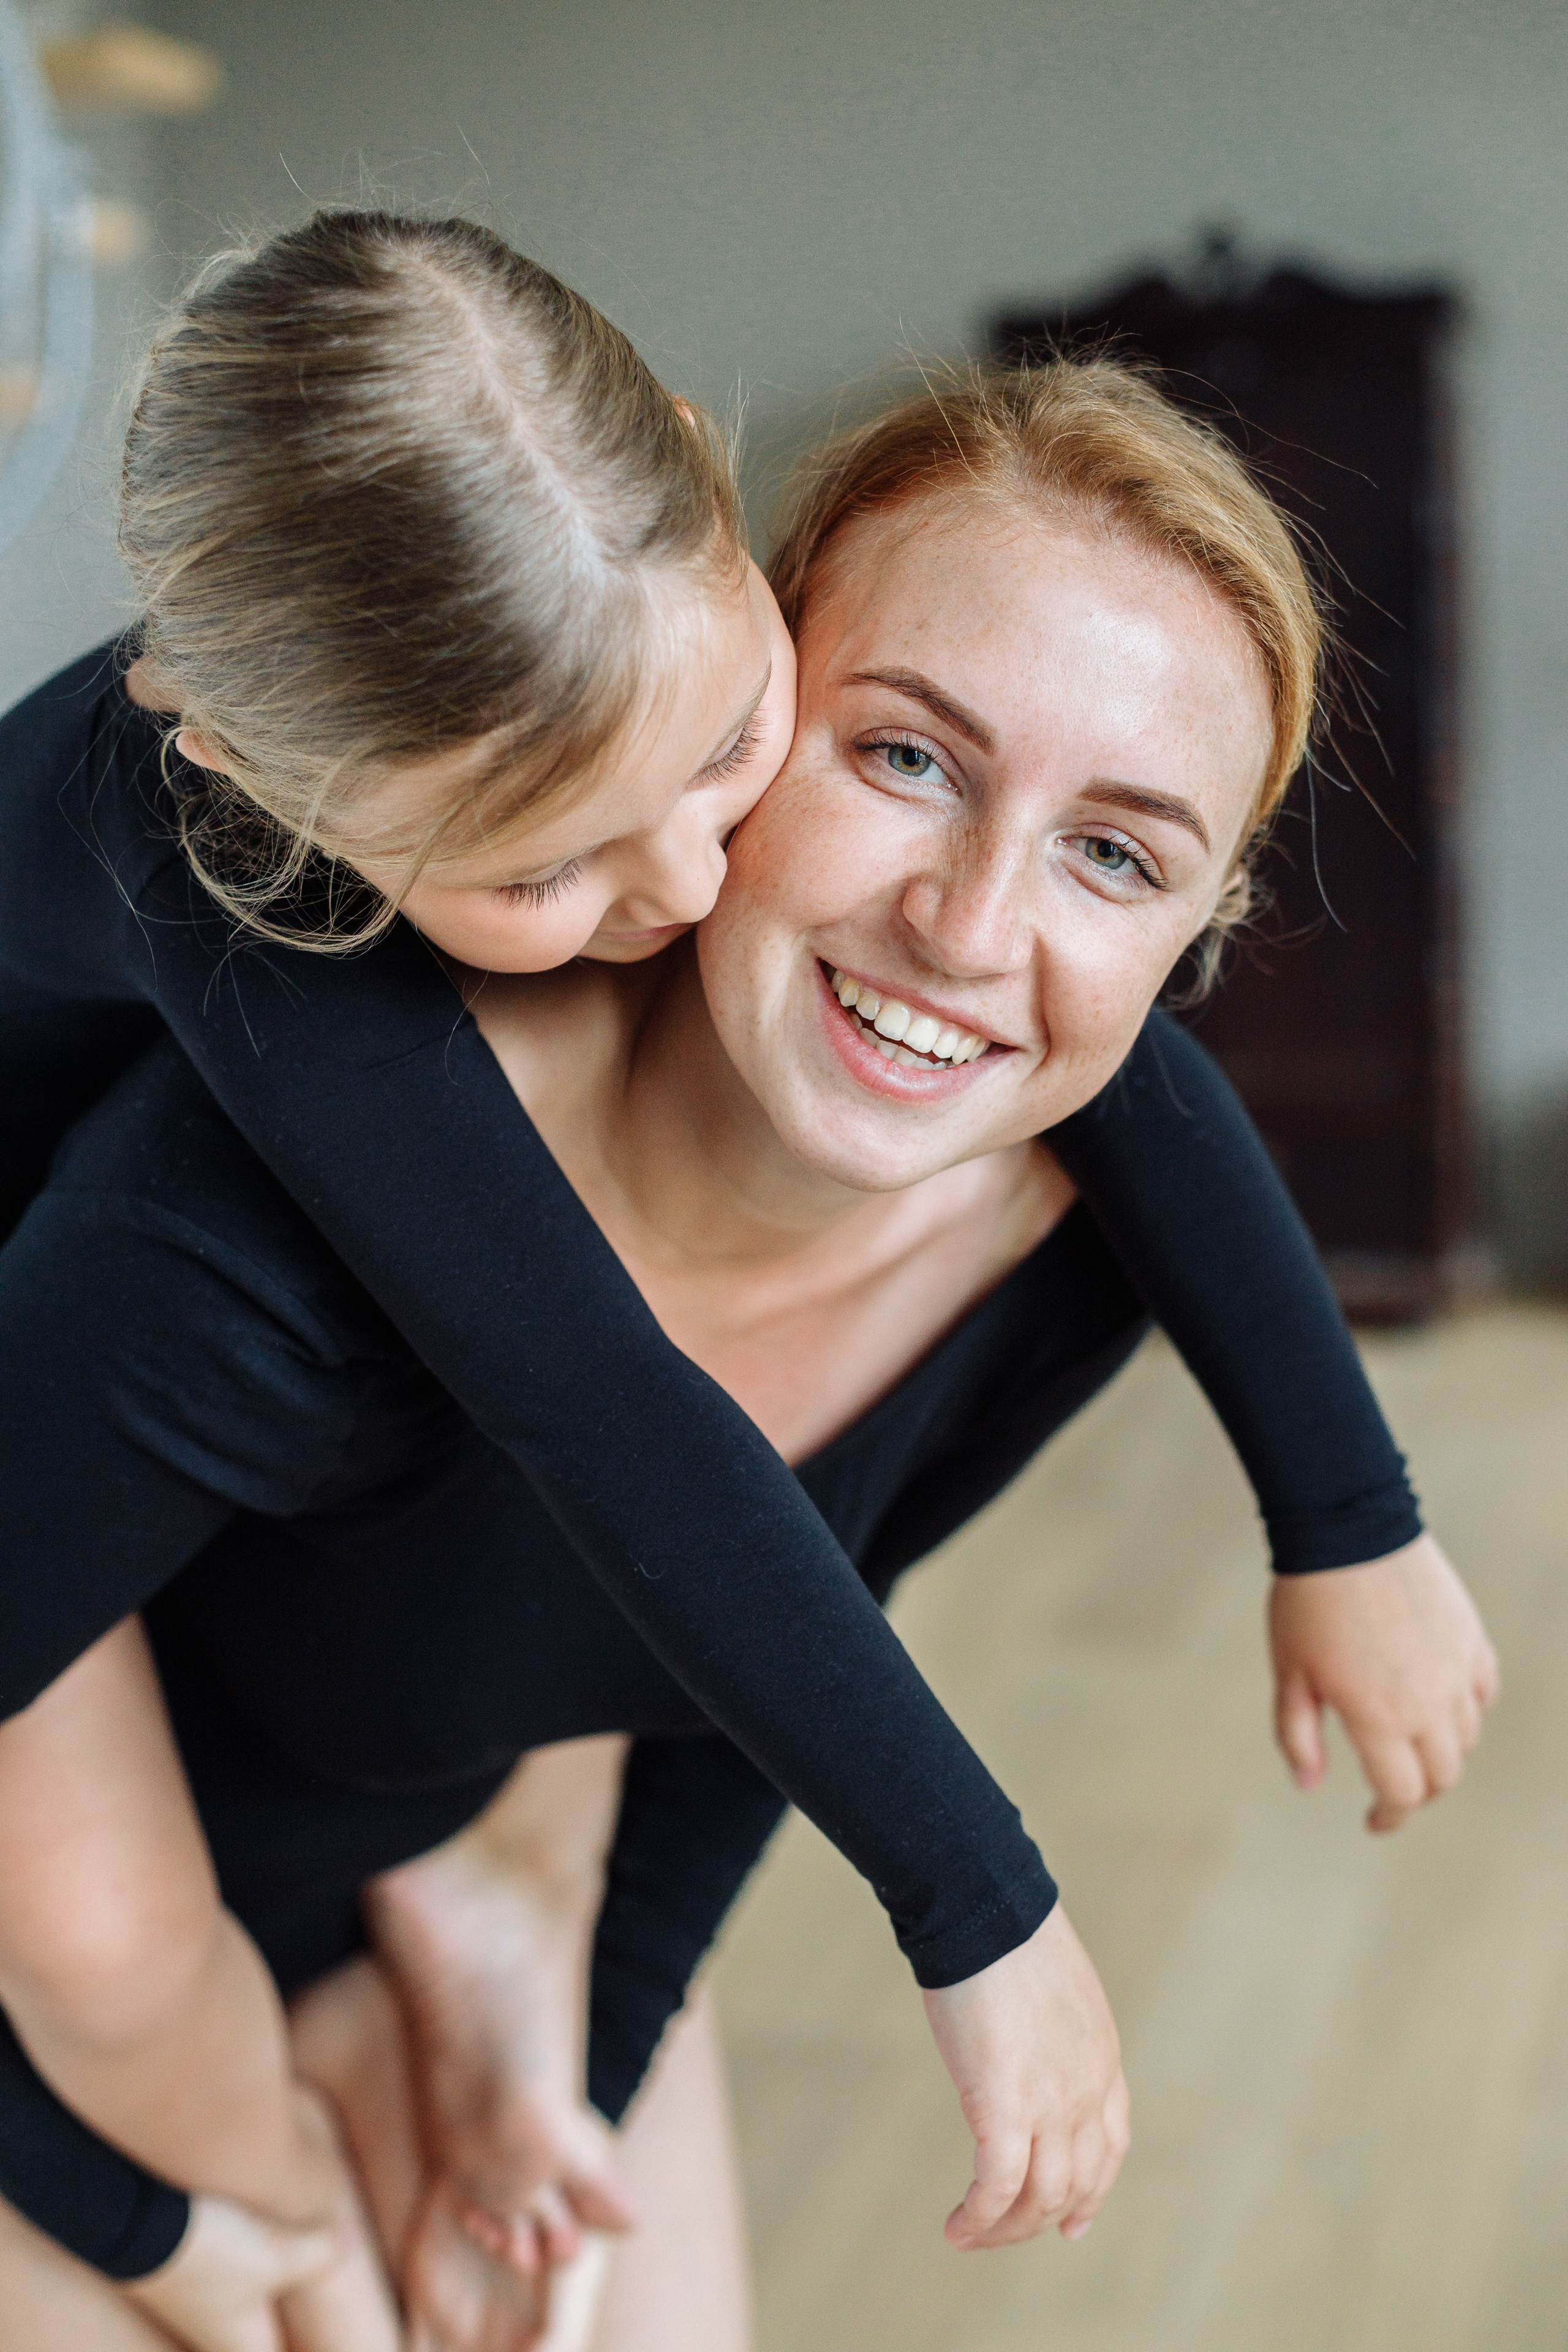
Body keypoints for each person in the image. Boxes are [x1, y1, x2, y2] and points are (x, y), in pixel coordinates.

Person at [0, 356, 1497, 2350]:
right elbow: (596, 1397)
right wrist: (157, 2227)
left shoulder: (1059, 1245)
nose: (973, 926)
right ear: (759, 697)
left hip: (409, 1872)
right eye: (906, 760)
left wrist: (571, 2081)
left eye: (1116, 858)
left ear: (1198, 937)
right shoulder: (264, 1163)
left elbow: (761, 1672)